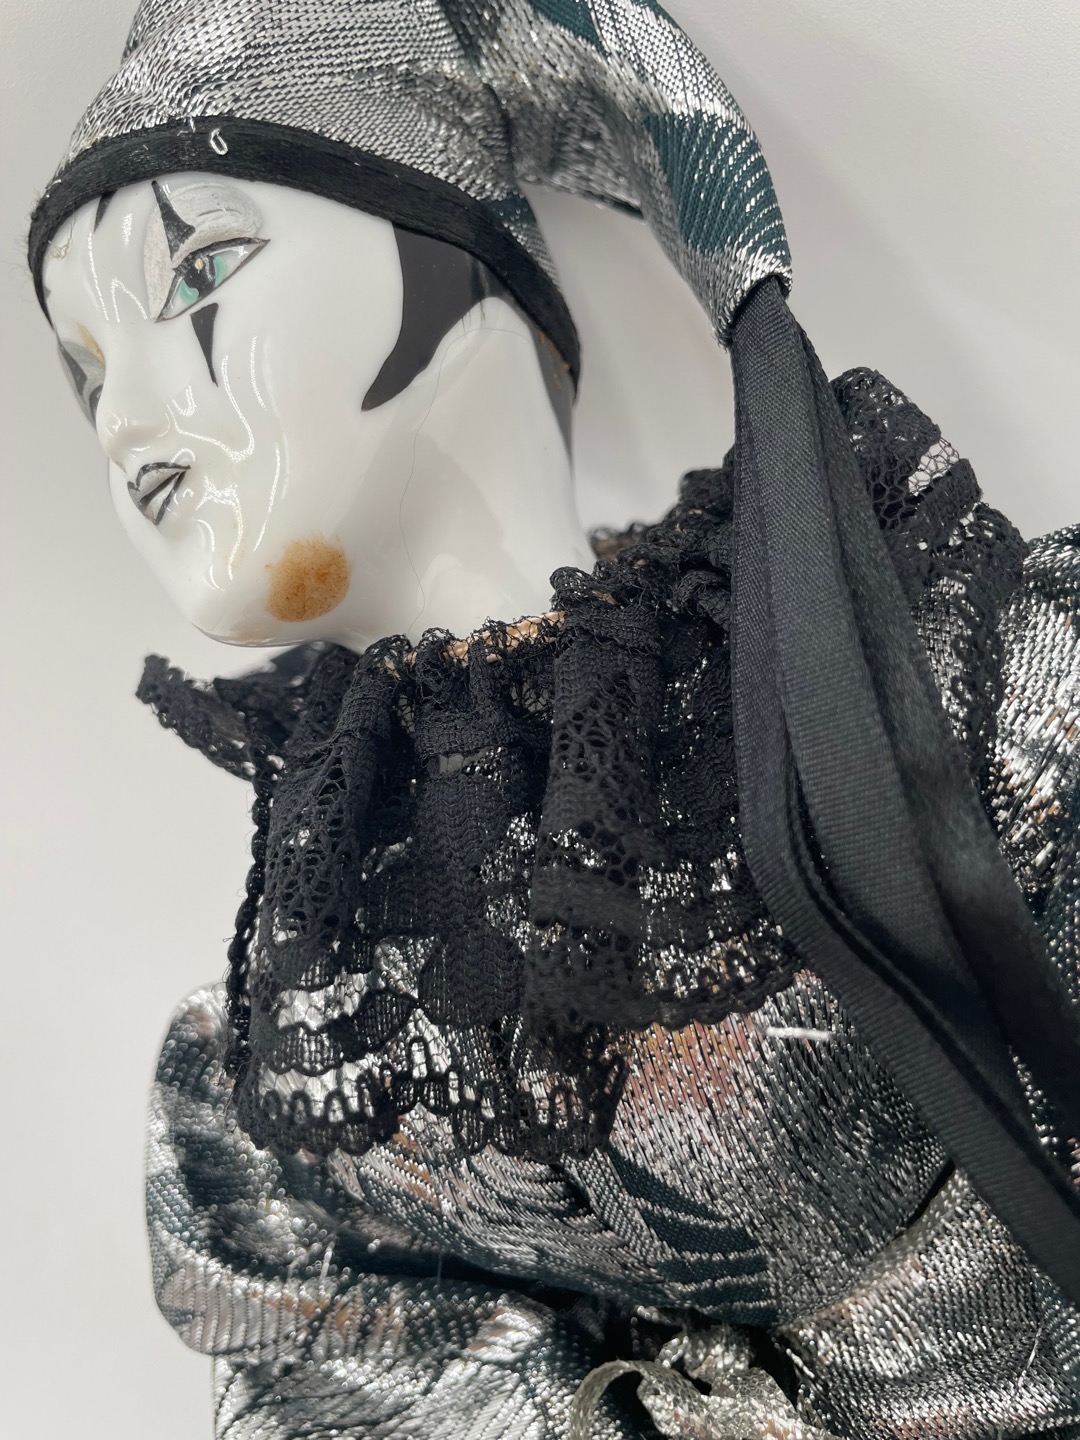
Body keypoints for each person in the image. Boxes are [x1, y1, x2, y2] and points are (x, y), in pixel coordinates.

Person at [29, 1, 1080, 1435]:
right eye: (87, 369)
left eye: (201, 271)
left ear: (467, 270)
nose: (124, 419)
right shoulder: (314, 932)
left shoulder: (940, 680)